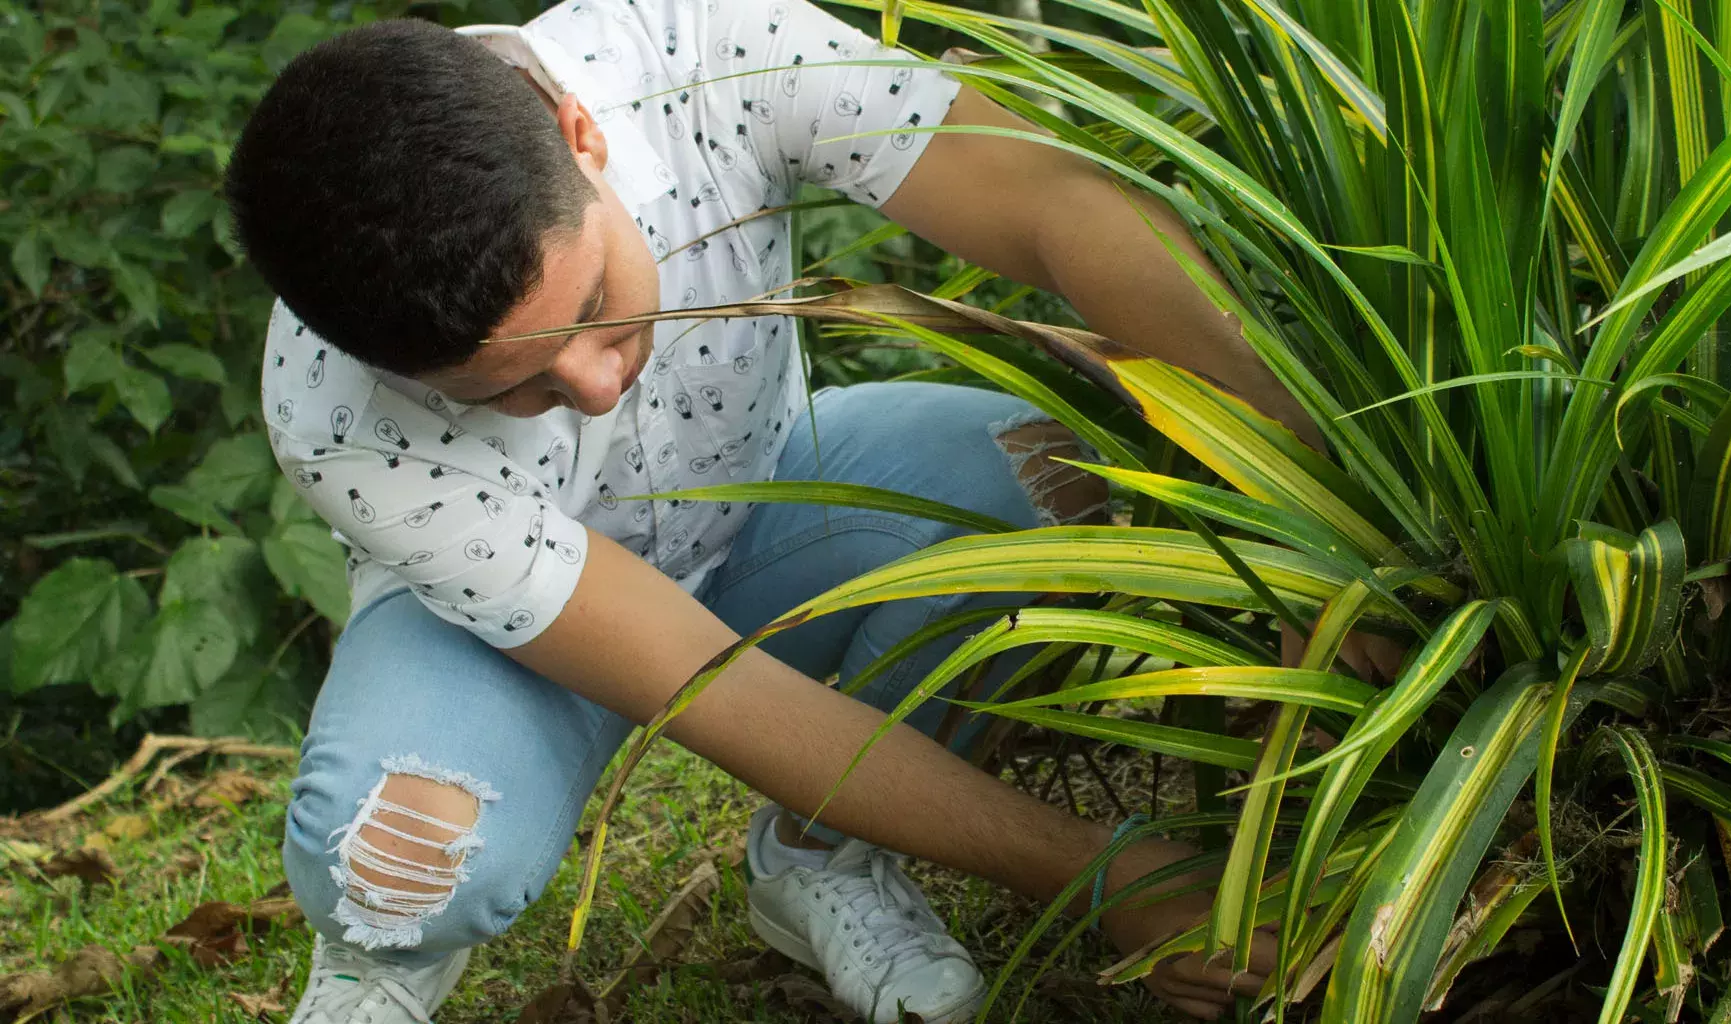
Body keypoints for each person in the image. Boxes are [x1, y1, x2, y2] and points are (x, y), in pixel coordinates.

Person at [224, 0, 1308, 1020]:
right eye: (510, 387)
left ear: (578, 133)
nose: (597, 385)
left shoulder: (703, 45)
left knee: (1041, 469)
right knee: (398, 865)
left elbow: (1054, 201)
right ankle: (383, 958)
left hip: (765, 502)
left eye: (593, 306)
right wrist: (1101, 872)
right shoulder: (333, 409)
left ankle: (815, 856)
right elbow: (704, 682)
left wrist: (1313, 499)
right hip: (504, 639)